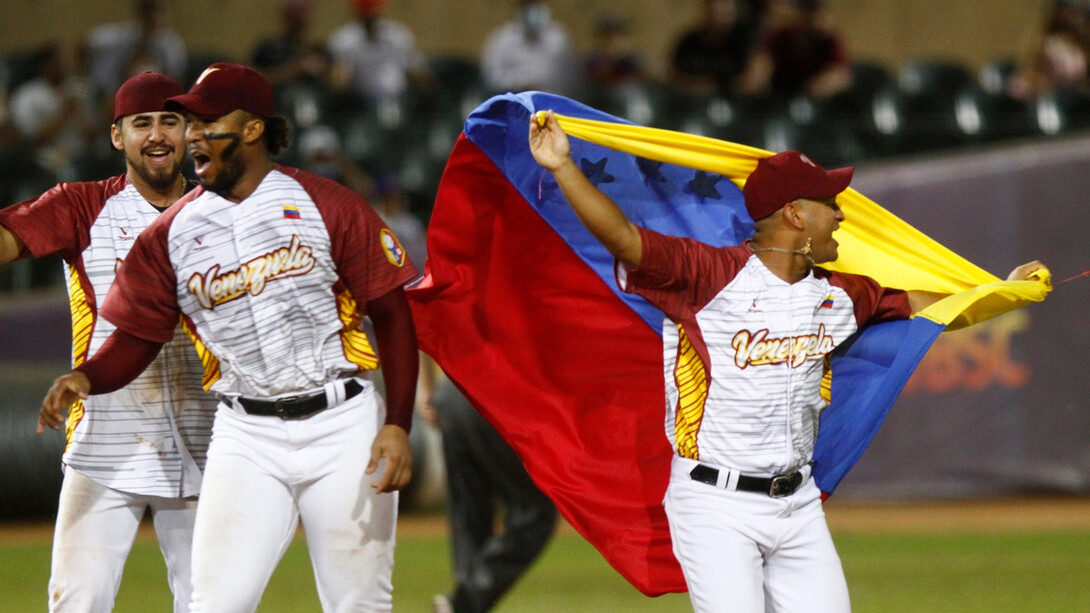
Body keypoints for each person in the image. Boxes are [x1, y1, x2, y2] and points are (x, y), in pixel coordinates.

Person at [527, 110, 1045, 612]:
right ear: (795, 215)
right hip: (715, 503)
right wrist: (563, 166)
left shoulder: (841, 294)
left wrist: (1001, 292)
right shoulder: (708, 276)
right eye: (830, 204)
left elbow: (927, 310)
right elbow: (623, 238)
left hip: (797, 504)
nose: (841, 215)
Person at [39, 62, 419, 612]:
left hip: (341, 422)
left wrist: (399, 423)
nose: (192, 135)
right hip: (245, 432)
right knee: (214, 603)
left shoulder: (327, 204)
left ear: (252, 128)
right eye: (190, 122)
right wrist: (87, 378)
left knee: (358, 603)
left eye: (207, 121)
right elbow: (139, 338)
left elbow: (393, 313)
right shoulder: (171, 232)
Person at [0, 71, 215, 613]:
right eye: (141, 123)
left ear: (190, 131)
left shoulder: (220, 211)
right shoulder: (82, 205)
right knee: (79, 599)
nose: (157, 134)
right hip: (105, 438)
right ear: (118, 136)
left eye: (169, 121)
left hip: (206, 436)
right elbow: (6, 240)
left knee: (213, 602)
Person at [420, 360, 557, 613]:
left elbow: (418, 334)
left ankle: (462, 604)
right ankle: (463, 603)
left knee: (469, 514)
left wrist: (429, 390)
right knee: (537, 510)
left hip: (451, 392)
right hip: (494, 395)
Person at [739, 0, 853, 102]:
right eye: (809, 13)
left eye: (819, 14)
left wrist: (819, 87)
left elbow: (840, 75)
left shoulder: (830, 41)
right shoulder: (780, 36)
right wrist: (755, 79)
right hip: (779, 100)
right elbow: (761, 64)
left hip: (815, 105)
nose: (816, 20)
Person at [327, 0, 434, 105]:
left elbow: (415, 69)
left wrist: (425, 84)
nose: (371, 15)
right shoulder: (344, 39)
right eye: (366, 12)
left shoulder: (397, 34)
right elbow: (338, 78)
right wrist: (339, 77)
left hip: (398, 98)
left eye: (374, 11)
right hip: (359, 101)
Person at [83, 0, 188, 100]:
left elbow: (176, 77)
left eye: (158, 14)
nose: (154, 19)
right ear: (140, 16)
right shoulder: (119, 36)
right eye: (149, 14)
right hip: (113, 93)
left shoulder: (171, 44)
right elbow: (86, 43)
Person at [480, 0, 578, 97]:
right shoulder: (501, 39)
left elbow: (570, 76)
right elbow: (493, 78)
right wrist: (522, 84)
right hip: (515, 100)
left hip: (553, 100)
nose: (533, 10)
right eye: (528, 4)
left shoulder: (558, 36)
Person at [669, 0, 764, 97]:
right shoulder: (690, 41)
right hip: (692, 100)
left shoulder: (744, 41)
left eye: (723, 12)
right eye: (714, 12)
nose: (718, 17)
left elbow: (751, 81)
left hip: (734, 101)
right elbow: (673, 75)